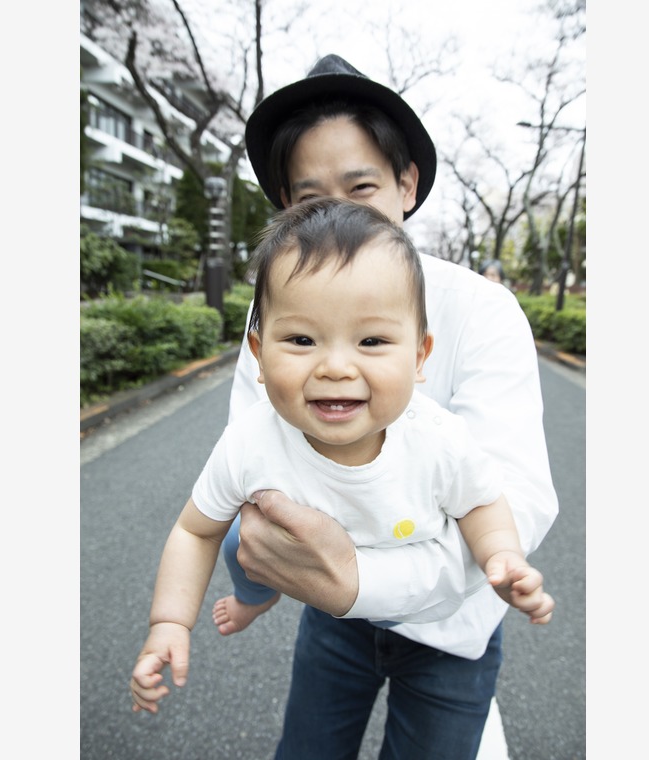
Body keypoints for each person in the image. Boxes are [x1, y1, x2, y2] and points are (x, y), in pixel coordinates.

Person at [161, 55, 558, 759]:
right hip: (330, 614)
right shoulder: (277, 313)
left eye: (362, 187)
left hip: (453, 628)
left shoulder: (483, 310)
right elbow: (253, 476)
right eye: (309, 199)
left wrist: (359, 579)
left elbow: (512, 503)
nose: (336, 215)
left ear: (407, 184)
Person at [130, 198, 555, 717]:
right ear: (258, 356)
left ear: (420, 356)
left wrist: (502, 556)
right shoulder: (251, 441)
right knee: (239, 539)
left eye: (371, 340)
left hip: (446, 629)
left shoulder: (439, 440)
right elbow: (196, 530)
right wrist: (169, 622)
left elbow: (481, 503)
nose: (335, 366)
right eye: (302, 339)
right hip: (332, 616)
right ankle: (255, 597)